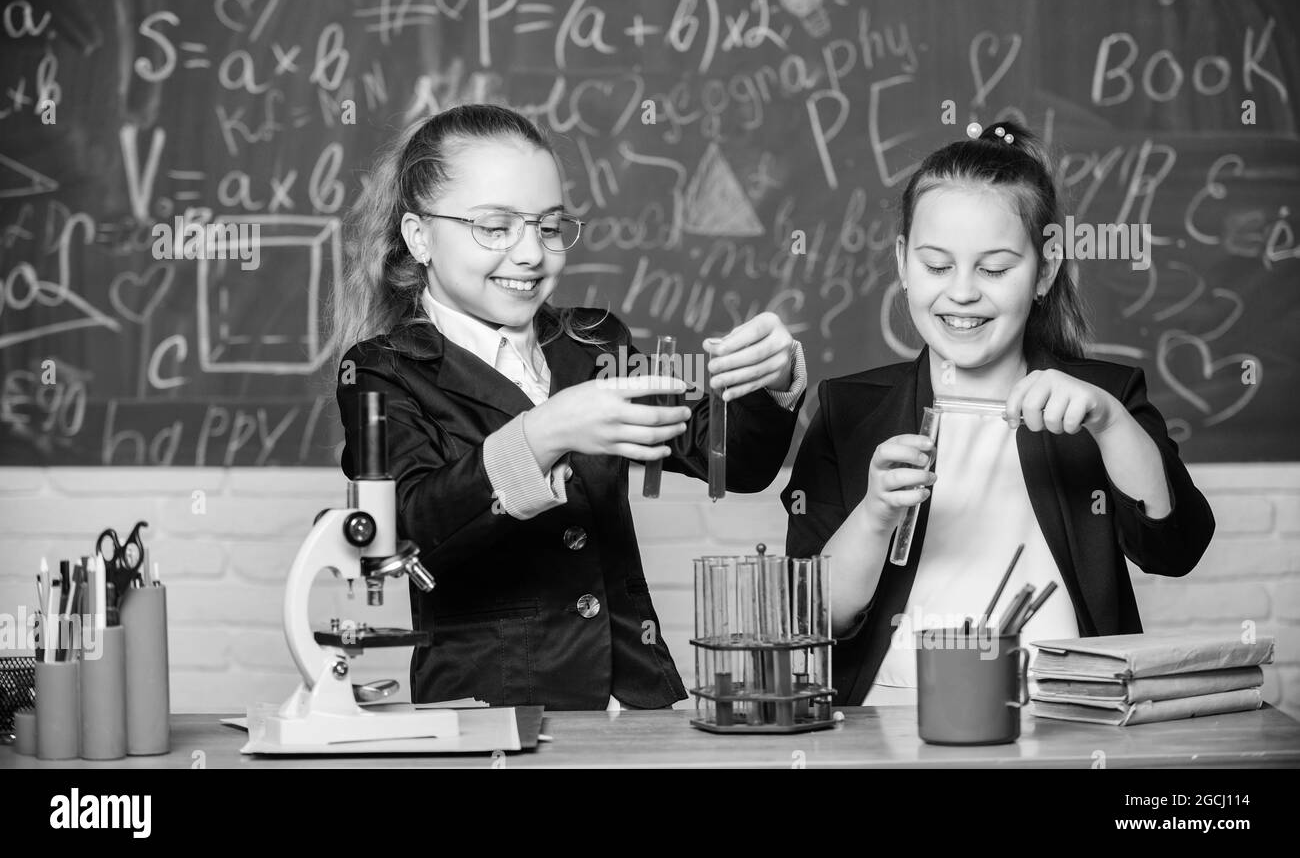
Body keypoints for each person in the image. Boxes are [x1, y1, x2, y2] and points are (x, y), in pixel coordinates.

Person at [333, 104, 807, 711]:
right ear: (419, 236)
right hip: (491, 715)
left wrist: (770, 382)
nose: (532, 253)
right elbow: (408, 531)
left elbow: (732, 463)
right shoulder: (383, 370)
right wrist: (544, 431)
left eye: (549, 226)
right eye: (495, 227)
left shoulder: (593, 341)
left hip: (634, 704)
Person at [782, 121, 1215, 707]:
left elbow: (1177, 549)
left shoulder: (1102, 401)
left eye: (994, 269)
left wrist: (1111, 424)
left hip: (1069, 717)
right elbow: (810, 617)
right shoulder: (846, 410)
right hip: (890, 721)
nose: (962, 293)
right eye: (937, 266)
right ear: (903, 263)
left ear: (1046, 265)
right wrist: (875, 513)